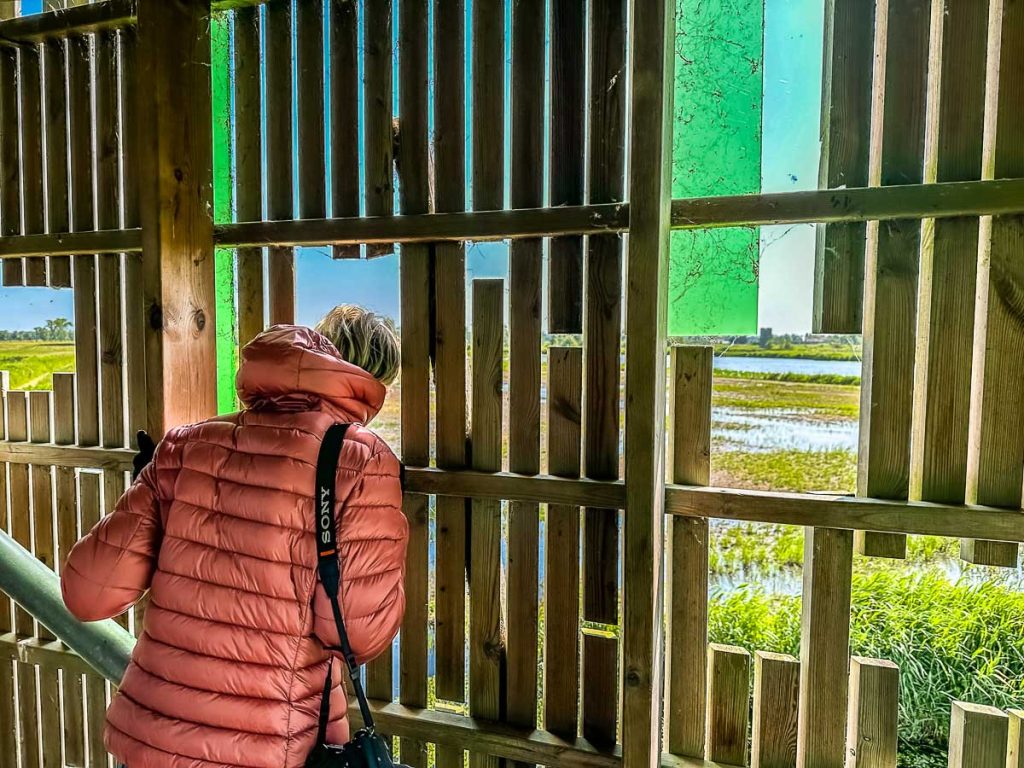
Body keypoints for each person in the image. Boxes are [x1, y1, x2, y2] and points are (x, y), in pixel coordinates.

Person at [61, 306, 407, 768]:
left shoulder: (187, 443)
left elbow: (87, 594)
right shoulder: (362, 461)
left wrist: (155, 489)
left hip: (152, 741)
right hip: (269, 747)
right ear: (373, 382)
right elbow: (356, 634)